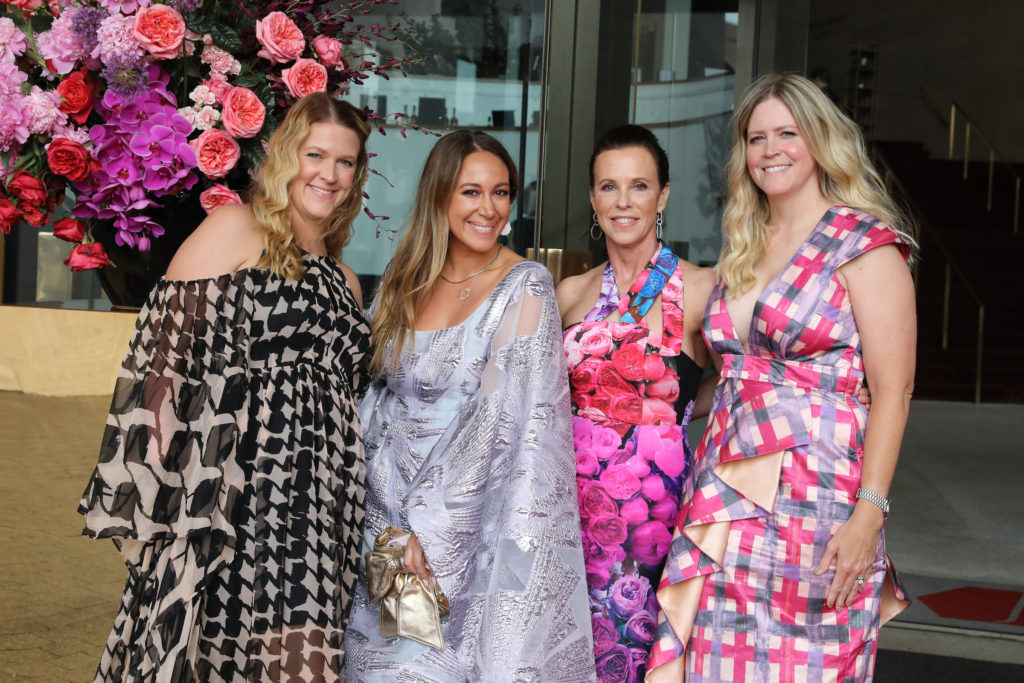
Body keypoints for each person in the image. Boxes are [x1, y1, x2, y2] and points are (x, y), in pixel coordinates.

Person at [78, 93, 372, 680]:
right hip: (231, 493)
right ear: (288, 154)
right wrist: (147, 494)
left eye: (346, 162)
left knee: (302, 663)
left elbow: (351, 401)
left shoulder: (345, 280)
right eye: (317, 155)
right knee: (213, 654)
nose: (329, 174)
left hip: (318, 505)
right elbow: (161, 362)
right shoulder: (236, 228)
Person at [648, 73, 915, 681]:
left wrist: (868, 514)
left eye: (787, 133)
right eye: (756, 137)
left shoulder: (863, 244)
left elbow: (894, 390)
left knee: (809, 662)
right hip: (724, 492)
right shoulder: (745, 243)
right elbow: (731, 376)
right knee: (716, 658)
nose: (770, 150)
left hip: (820, 497)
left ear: (820, 140)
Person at [344, 130, 594, 681]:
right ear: (440, 197)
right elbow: (375, 401)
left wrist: (424, 533)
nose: (488, 209)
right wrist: (375, 520)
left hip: (460, 533)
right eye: (470, 192)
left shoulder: (524, 286)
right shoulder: (401, 280)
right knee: (372, 668)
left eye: (501, 193)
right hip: (378, 528)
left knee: (427, 670)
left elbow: (501, 422)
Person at [556, 124, 715, 679]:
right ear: (593, 198)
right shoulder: (569, 292)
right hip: (570, 517)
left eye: (639, 186)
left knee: (647, 659)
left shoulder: (699, 290)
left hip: (658, 520)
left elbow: (742, 384)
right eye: (608, 187)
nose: (623, 202)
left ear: (663, 195)